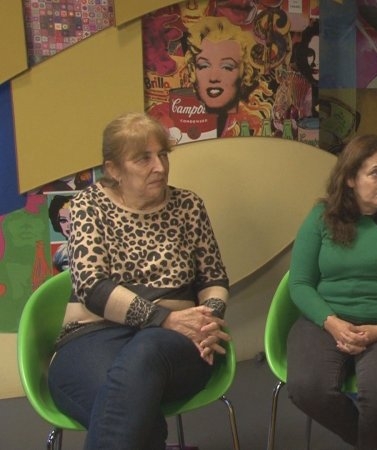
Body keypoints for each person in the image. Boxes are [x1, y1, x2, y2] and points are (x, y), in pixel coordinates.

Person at [47, 112, 231, 450]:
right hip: (94, 336)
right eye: (143, 158)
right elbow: (91, 286)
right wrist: (164, 318)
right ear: (114, 169)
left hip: (175, 343)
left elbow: (213, 278)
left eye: (162, 155)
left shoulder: (189, 205)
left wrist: (209, 319)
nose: (159, 167)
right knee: (130, 413)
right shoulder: (88, 205)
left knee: (144, 356)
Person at [286, 134, 377, 450]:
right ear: (351, 178)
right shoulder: (321, 216)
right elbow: (299, 283)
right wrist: (332, 323)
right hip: (326, 322)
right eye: (375, 173)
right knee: (307, 388)